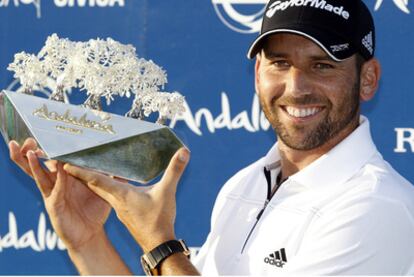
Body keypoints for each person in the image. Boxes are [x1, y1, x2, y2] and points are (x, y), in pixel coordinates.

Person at [8, 0, 414, 275]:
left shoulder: (377, 208)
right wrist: (87, 241)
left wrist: (160, 243)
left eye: (322, 66)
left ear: (368, 79)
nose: (296, 86)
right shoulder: (246, 185)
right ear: (257, 74)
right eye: (279, 63)